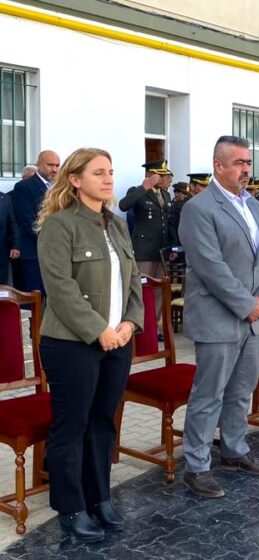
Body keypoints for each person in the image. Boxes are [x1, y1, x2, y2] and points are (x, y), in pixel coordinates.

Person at [36, 148, 143, 542]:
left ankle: (99, 497)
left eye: (111, 171)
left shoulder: (116, 224)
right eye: (98, 172)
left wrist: (131, 322)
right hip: (72, 345)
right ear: (76, 180)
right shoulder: (59, 226)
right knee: (72, 426)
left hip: (119, 341)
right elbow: (60, 288)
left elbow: (133, 282)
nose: (108, 178)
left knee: (102, 423)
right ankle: (71, 507)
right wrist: (100, 330)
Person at [178, 136, 259, 498]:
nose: (246, 169)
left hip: (253, 316)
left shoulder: (255, 207)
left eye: (248, 162)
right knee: (210, 393)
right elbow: (210, 267)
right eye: (238, 163)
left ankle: (235, 449)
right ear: (218, 166)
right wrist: (246, 303)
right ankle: (197, 464)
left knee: (241, 390)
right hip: (218, 316)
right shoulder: (199, 208)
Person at [118, 160, 176, 283]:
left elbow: (169, 223)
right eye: (160, 175)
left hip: (162, 251)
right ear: (150, 175)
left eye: (164, 175)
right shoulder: (138, 191)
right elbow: (123, 205)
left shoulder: (166, 195)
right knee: (143, 287)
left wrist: (172, 246)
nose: (164, 178)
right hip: (144, 250)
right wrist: (144, 187)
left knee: (161, 288)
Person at [11, 150, 60, 294]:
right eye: (50, 165)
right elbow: (27, 222)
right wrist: (54, 241)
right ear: (38, 164)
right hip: (34, 255)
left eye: (57, 165)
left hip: (57, 255)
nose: (54, 169)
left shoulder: (60, 188)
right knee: (33, 302)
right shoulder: (24, 187)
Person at [0, 189, 19, 285]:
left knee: (2, 282)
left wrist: (15, 246)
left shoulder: (5, 199)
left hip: (2, 250)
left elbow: (12, 223)